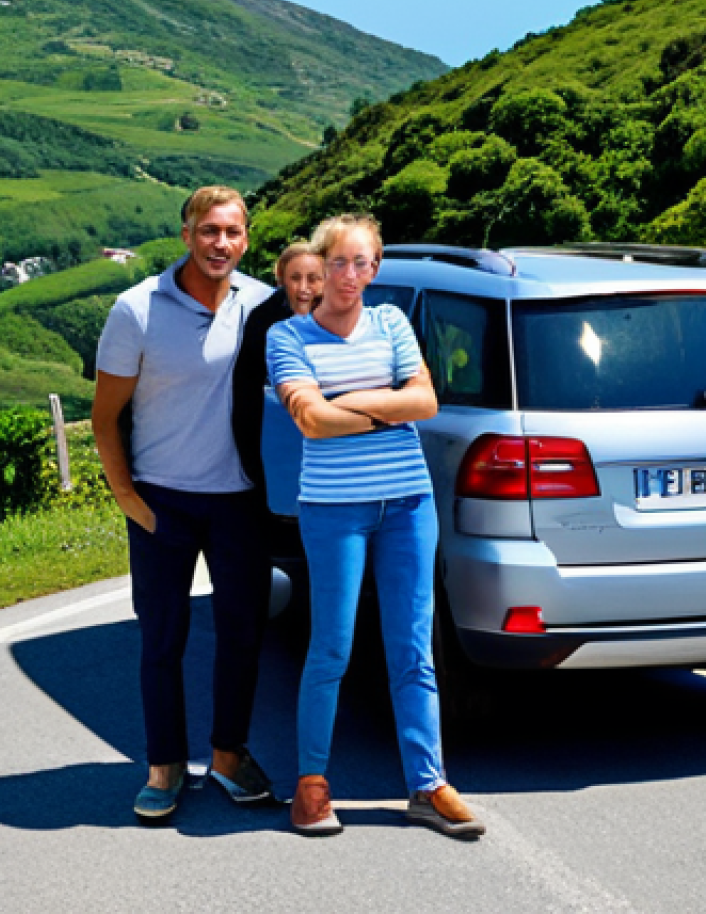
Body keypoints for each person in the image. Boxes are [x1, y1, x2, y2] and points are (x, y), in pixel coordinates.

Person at [266, 213, 485, 839]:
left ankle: (428, 785)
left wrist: (346, 405)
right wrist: (385, 408)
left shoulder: (392, 322)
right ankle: (311, 786)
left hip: (409, 506)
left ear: (376, 267)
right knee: (331, 647)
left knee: (413, 652)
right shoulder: (289, 336)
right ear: (320, 264)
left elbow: (427, 402)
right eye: (339, 262)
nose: (350, 276)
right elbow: (309, 420)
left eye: (363, 264)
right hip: (334, 509)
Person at [92, 185, 276, 822]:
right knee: (162, 640)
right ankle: (163, 765)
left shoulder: (264, 305)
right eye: (208, 232)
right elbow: (105, 417)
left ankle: (228, 756)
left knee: (242, 637)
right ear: (186, 235)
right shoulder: (136, 309)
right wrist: (129, 501)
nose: (220, 243)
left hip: (242, 502)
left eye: (232, 232)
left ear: (246, 238)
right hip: (161, 501)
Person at [231, 241, 324, 492]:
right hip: (277, 445)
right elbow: (245, 395)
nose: (304, 288)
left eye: (313, 278)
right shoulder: (264, 321)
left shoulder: (340, 317)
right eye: (295, 278)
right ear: (281, 278)